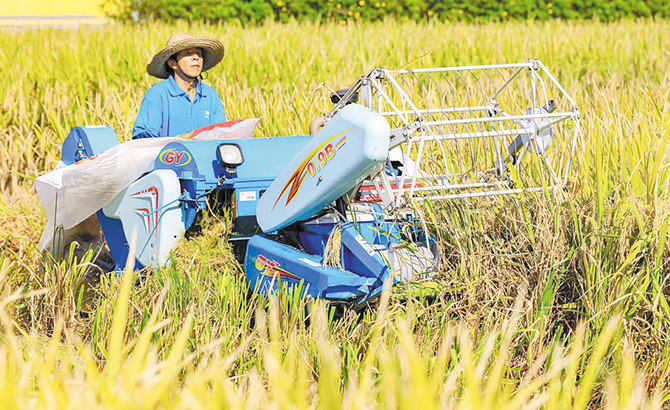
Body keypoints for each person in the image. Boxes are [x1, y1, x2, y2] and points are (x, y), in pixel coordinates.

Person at [132, 33, 227, 139]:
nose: (196, 57)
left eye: (198, 53)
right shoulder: (157, 94)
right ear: (173, 63)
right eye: (188, 53)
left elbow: (220, 135)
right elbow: (143, 137)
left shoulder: (210, 96)